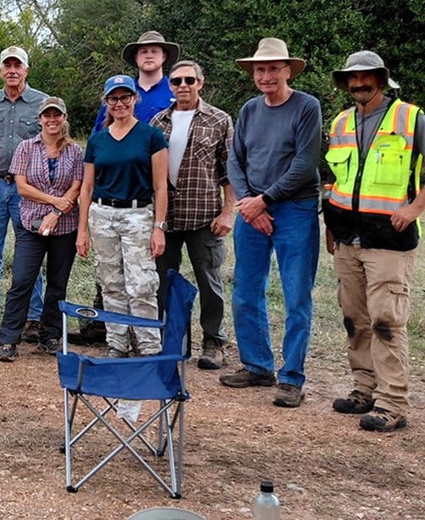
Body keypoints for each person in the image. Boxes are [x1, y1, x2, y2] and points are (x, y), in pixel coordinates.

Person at [323, 51, 423, 432]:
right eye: (352, 78)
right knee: (355, 319)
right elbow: (333, 179)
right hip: (347, 236)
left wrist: (414, 209)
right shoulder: (342, 122)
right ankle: (363, 390)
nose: (358, 84)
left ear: (381, 79)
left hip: (390, 239)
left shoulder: (411, 118)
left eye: (366, 77)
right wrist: (332, 225)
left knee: (386, 321)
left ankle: (392, 402)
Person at [221, 38, 321, 409]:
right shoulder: (249, 110)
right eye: (260, 69)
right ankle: (257, 364)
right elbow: (235, 160)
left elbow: (305, 163)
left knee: (297, 294)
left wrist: (265, 200)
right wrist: (250, 203)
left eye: (273, 69)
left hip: (295, 208)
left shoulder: (306, 106)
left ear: (287, 71)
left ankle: (291, 377)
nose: (265, 75)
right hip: (253, 209)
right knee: (246, 289)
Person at [150, 60, 235, 370]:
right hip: (166, 218)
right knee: (163, 281)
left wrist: (228, 213)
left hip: (205, 216)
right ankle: (171, 340)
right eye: (176, 81)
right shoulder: (158, 122)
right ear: (170, 86)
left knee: (209, 280)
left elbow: (230, 173)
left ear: (200, 82)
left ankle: (214, 342)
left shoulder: (219, 121)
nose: (182, 85)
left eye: (189, 80)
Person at [76, 75, 169, 357]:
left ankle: (149, 345)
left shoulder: (151, 136)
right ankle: (117, 343)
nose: (120, 104)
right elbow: (87, 186)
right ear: (106, 103)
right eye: (114, 99)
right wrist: (82, 230)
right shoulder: (97, 140)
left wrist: (159, 227)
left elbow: (160, 185)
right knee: (111, 283)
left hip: (137, 213)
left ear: (134, 100)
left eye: (125, 97)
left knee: (140, 284)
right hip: (102, 214)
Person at [0, 45, 48, 338]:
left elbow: (52, 144)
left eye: (18, 65)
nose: (12, 70)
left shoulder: (41, 103)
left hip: (28, 191)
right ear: (0, 70)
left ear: (27, 69)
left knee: (30, 253)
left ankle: (34, 316)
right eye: (7, 65)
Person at [0, 97, 82, 360]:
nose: (52, 120)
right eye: (47, 115)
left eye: (57, 115)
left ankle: (50, 335)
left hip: (65, 226)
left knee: (58, 284)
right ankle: (9, 338)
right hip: (31, 225)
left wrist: (57, 212)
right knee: (22, 280)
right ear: (40, 119)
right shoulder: (26, 148)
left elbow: (77, 187)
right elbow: (21, 187)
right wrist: (54, 201)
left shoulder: (76, 151)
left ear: (64, 118)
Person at [92, 31, 177, 132]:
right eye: (144, 51)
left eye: (154, 51)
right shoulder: (118, 91)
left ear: (164, 57)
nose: (149, 56)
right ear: (136, 57)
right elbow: (99, 131)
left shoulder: (176, 91)